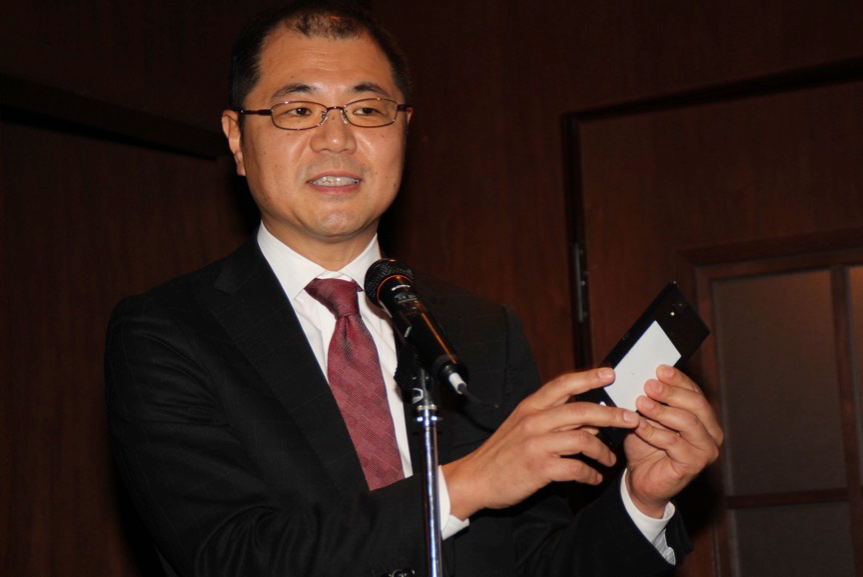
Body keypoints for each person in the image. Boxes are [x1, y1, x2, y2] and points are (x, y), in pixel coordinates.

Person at [105, 3, 723, 576]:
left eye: (366, 109)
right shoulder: (168, 333)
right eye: (298, 110)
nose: (336, 138)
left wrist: (641, 502)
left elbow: (537, 562)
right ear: (237, 138)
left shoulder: (482, 330)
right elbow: (230, 556)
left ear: (404, 128)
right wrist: (467, 484)